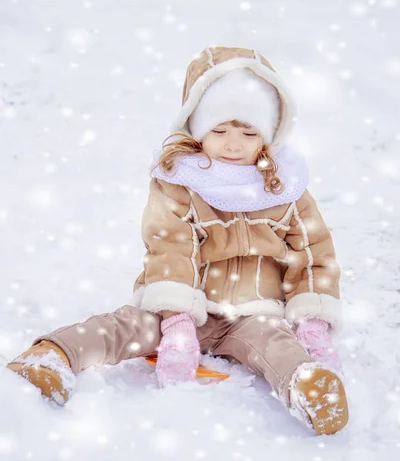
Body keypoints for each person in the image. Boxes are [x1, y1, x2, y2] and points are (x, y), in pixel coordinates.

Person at [7, 45, 349, 435]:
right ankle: (54, 355)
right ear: (197, 126)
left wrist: (312, 323)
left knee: (276, 346)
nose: (233, 144)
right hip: (184, 307)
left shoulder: (285, 188)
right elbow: (169, 247)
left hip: (254, 315)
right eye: (218, 130)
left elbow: (313, 252)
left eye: (249, 131)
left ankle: (309, 387)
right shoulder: (180, 182)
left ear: (270, 133)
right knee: (127, 325)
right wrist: (178, 320)